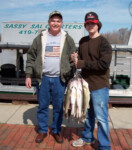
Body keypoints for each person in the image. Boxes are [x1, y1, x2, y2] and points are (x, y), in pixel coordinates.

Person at [25, 10, 76, 143]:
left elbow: (73, 57)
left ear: (61, 23)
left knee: (58, 107)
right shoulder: (40, 38)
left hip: (60, 79)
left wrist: (71, 74)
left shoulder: (67, 38)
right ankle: (42, 130)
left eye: (58, 21)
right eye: (53, 21)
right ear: (48, 22)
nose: (55, 23)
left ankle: (56, 130)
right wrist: (29, 75)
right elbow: (31, 56)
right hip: (44, 79)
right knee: (43, 106)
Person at [71, 12, 112, 150]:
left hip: (100, 85)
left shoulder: (104, 43)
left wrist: (82, 63)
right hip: (85, 85)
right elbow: (80, 60)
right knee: (87, 115)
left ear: (98, 24)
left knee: (101, 119)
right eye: (88, 23)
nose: (90, 25)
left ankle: (105, 145)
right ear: (85, 25)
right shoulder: (83, 41)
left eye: (93, 23)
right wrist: (75, 58)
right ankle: (87, 137)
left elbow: (103, 64)